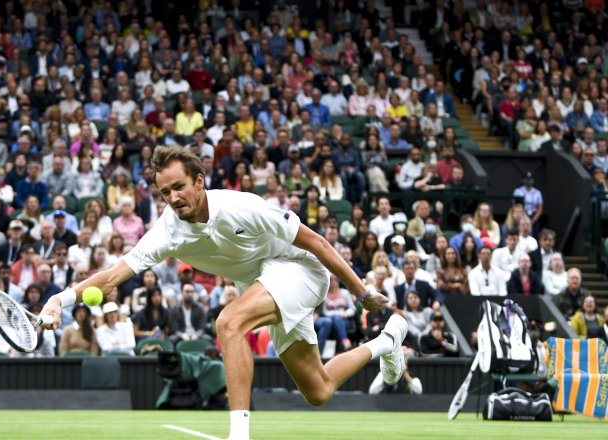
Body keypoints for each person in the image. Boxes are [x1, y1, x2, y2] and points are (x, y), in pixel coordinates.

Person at [40, 146, 398, 440]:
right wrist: (60, 299)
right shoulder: (166, 232)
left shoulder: (241, 206)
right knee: (318, 390)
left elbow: (316, 241)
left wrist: (361, 290)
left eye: (179, 187)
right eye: (165, 192)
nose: (174, 198)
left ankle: (238, 436)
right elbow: (110, 278)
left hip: (298, 269)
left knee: (229, 322)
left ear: (199, 181)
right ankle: (387, 341)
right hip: (262, 285)